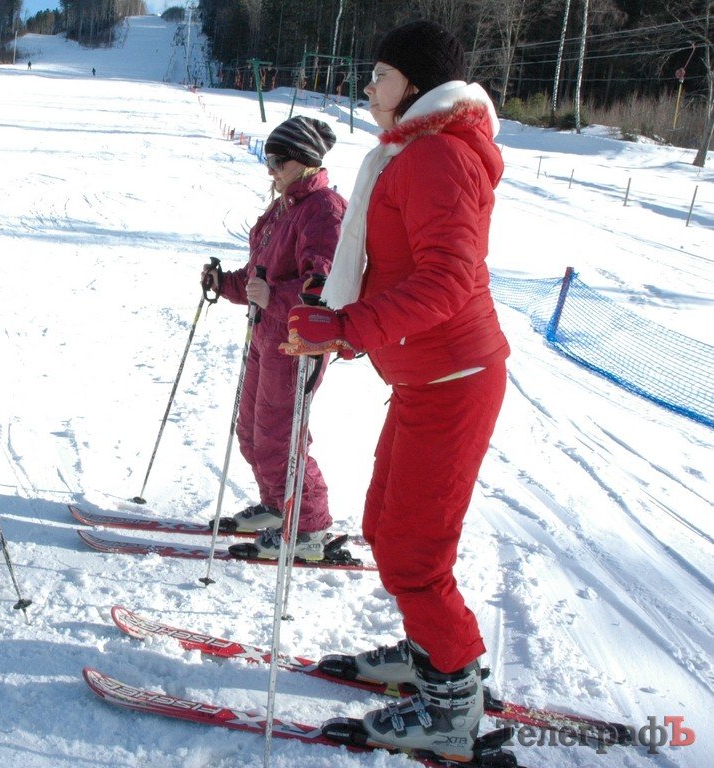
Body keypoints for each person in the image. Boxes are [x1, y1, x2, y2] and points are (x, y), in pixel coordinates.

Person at [280, 20, 510, 760]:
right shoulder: (413, 151)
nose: (368, 88)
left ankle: (449, 707)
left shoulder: (438, 155)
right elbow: (399, 262)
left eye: (378, 75)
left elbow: (448, 279)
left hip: (453, 379)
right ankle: (432, 654)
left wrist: (347, 327)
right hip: (423, 377)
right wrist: (336, 301)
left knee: (413, 553)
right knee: (383, 528)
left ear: (414, 85)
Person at [202, 116, 347, 562]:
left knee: (280, 438)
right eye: (268, 158)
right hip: (267, 336)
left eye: (277, 160)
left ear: (304, 161)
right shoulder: (284, 207)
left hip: (298, 343)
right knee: (251, 432)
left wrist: (274, 296)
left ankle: (309, 528)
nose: (270, 169)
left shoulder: (324, 208)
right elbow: (256, 277)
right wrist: (223, 282)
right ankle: (275, 506)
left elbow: (323, 287)